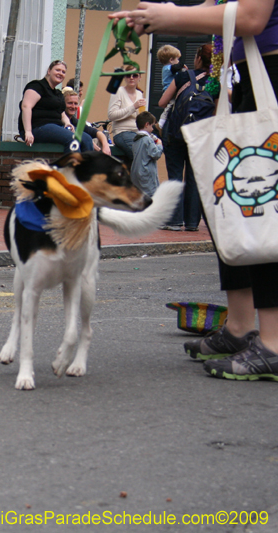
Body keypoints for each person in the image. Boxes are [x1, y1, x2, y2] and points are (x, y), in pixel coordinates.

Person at [112, 0, 278, 381]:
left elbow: (251, 16)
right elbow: (225, 8)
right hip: (251, 73)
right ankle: (239, 327)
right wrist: (154, 15)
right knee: (229, 204)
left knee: (261, 204)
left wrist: (170, 17)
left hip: (270, 68)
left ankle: (273, 341)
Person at [157, 44, 211, 232]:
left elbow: (162, 101)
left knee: (175, 175)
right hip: (200, 135)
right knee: (195, 177)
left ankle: (174, 220)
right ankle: (192, 222)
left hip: (176, 132)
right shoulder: (215, 82)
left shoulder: (182, 76)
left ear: (198, 59)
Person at [18, 61, 94, 153]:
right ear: (49, 71)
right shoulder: (37, 86)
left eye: (63, 72)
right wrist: (28, 131)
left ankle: (87, 167)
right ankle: (71, 167)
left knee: (87, 139)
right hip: (38, 127)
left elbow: (62, 113)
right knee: (73, 140)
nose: (60, 73)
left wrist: (67, 123)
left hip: (55, 127)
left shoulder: (57, 93)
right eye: (57, 70)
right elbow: (26, 107)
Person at [107, 64, 147, 162]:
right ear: (124, 77)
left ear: (140, 77)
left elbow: (140, 118)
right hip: (122, 132)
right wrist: (133, 107)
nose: (131, 78)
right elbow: (111, 115)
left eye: (135, 75)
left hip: (137, 132)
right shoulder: (119, 91)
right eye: (128, 75)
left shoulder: (139, 94)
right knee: (138, 154)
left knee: (150, 150)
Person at [63, 88, 111, 155]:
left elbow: (97, 132)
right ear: (63, 103)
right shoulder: (59, 121)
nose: (73, 106)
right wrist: (93, 145)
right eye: (70, 103)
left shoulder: (75, 121)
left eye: (76, 103)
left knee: (98, 140)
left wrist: (106, 146)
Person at [131, 111, 163, 197]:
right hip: (147, 174)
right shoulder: (147, 140)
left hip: (136, 174)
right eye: (152, 125)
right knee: (151, 197)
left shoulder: (135, 140)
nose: (152, 129)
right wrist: (159, 144)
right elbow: (156, 154)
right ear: (147, 124)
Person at [156, 44, 184, 128]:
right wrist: (182, 65)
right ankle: (160, 124)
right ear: (171, 60)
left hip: (173, 91)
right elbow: (176, 67)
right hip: (169, 91)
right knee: (170, 106)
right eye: (177, 59)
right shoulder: (167, 68)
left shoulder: (169, 68)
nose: (178, 61)